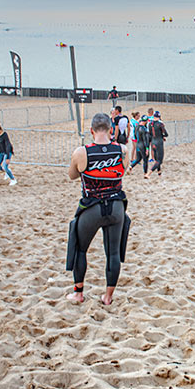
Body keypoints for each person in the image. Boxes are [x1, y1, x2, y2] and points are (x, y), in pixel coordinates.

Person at [67, 113, 128, 306]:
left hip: (92, 206)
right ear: (112, 130)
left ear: (92, 131)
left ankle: (78, 293)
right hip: (116, 206)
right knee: (113, 253)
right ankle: (108, 297)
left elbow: (72, 175)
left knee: (80, 249)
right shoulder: (123, 150)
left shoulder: (81, 152)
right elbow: (123, 170)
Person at [147, 110, 168, 177]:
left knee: (156, 159)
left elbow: (149, 134)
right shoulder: (160, 124)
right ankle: (149, 173)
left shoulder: (150, 123)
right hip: (159, 142)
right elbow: (166, 134)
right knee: (159, 160)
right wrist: (163, 136)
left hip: (153, 142)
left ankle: (159, 172)